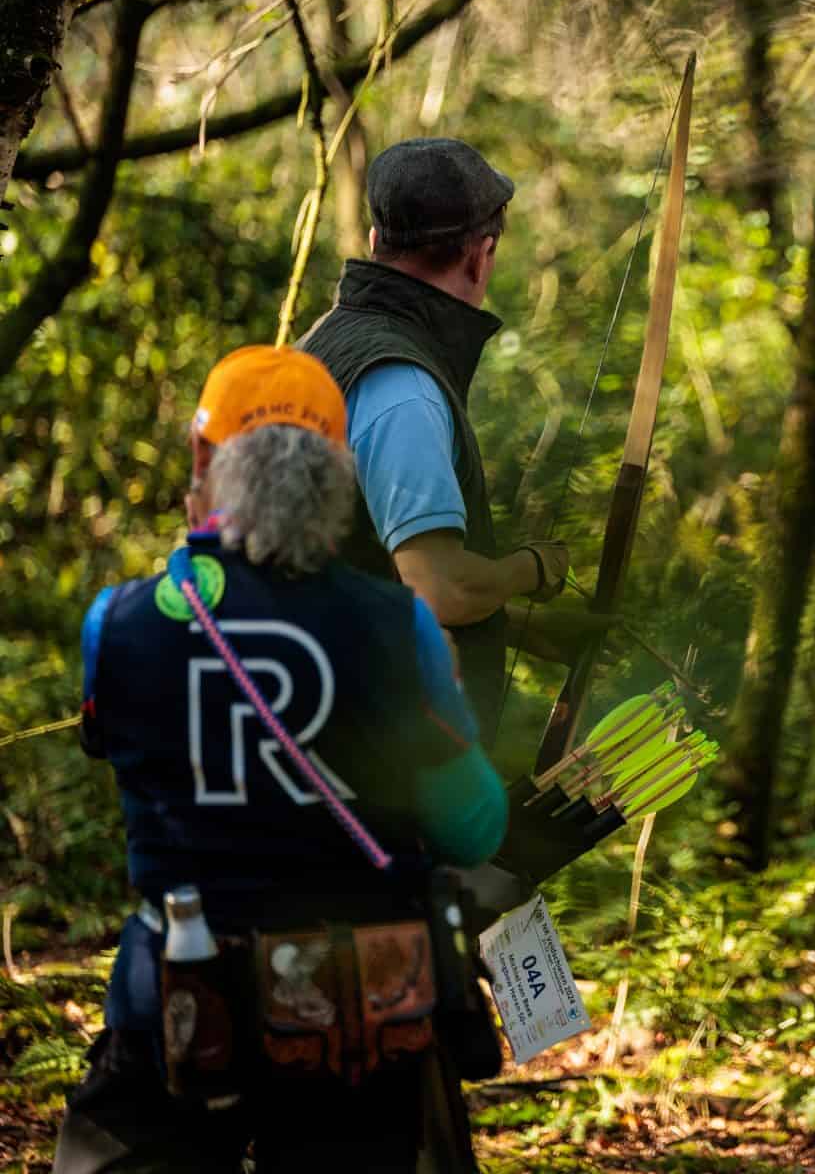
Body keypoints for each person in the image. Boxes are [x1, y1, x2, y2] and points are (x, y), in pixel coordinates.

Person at [53, 346, 509, 1173]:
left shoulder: (117, 623)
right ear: (341, 473)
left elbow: (111, 743)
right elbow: (474, 826)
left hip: (179, 1008)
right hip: (359, 1019)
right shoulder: (397, 624)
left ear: (203, 459)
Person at [298, 137, 585, 737]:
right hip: (373, 759)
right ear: (480, 257)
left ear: (376, 244)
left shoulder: (326, 338)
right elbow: (440, 588)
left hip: (314, 720)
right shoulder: (400, 384)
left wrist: (515, 624)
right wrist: (532, 570)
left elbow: (354, 564)